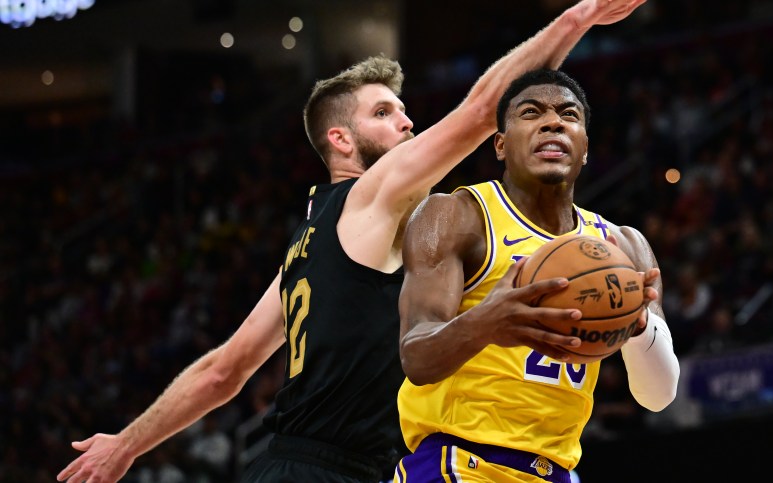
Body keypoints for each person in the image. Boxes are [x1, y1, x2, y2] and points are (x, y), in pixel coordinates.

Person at [57, 2, 649, 482]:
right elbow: (477, 113)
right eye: (386, 113)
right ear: (341, 140)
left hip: (310, 463)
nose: (409, 123)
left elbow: (224, 372)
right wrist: (581, 16)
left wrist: (127, 444)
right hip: (328, 468)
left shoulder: (307, 246)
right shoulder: (370, 198)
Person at [395, 68, 680, 482]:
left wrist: (639, 331)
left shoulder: (623, 246)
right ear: (500, 144)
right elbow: (415, 357)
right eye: (531, 112)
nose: (553, 121)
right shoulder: (457, 216)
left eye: (569, 114)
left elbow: (659, 397)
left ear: (584, 148)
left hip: (557, 471)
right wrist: (485, 323)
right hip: (460, 462)